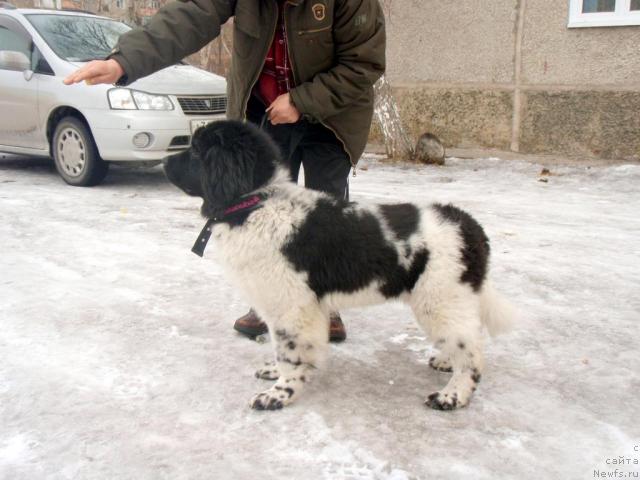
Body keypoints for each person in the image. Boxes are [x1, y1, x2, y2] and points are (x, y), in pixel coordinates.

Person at [64, 0, 386, 342]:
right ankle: (273, 299)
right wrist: (122, 61)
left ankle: (324, 304)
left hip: (334, 114)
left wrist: (301, 101)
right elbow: (190, 15)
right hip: (268, 108)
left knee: (325, 207)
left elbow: (364, 62)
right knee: (265, 209)